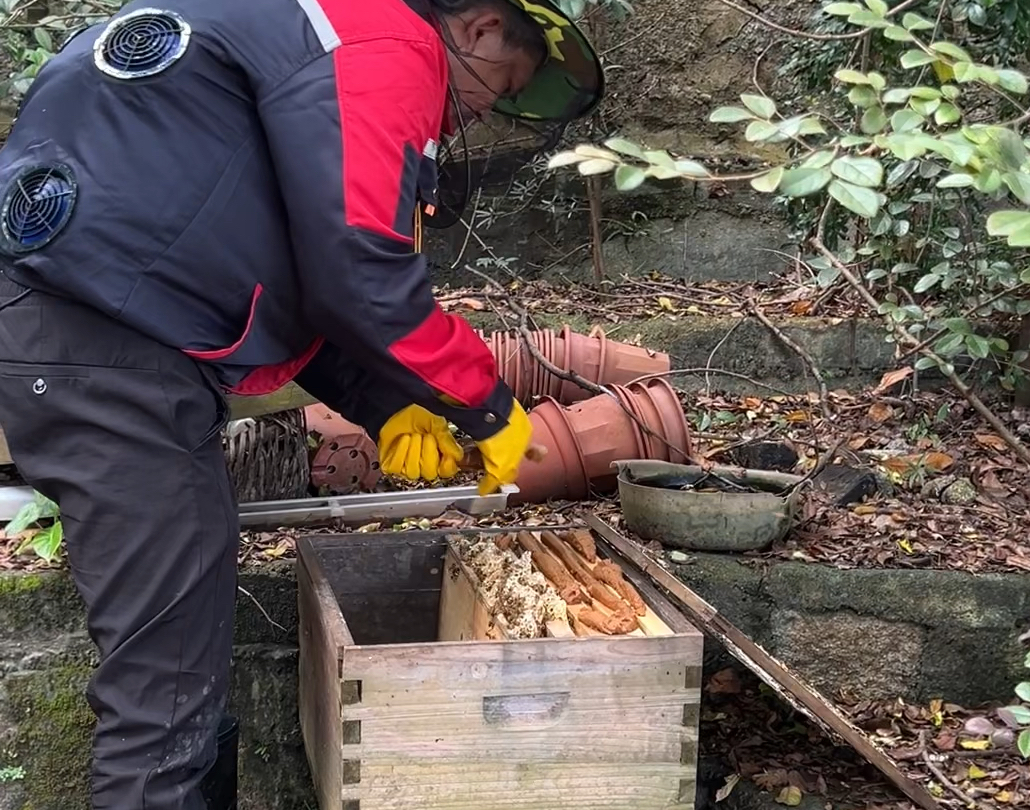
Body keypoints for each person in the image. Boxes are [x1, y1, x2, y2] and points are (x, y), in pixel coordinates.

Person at [0, 0, 603, 806]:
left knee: (181, 648)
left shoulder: (287, 40)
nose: (482, 110)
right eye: (504, 83)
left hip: (100, 336)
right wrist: (488, 406)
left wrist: (388, 406)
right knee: (164, 698)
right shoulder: (382, 35)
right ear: (482, 27)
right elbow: (362, 269)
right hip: (104, 347)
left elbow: (293, 283)